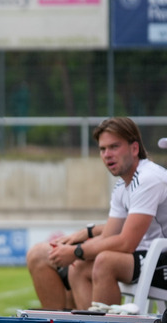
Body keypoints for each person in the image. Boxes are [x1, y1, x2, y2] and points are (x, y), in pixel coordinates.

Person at [30, 117, 167, 311]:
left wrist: (76, 251)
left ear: (134, 149)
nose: (107, 154)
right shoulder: (123, 186)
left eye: (114, 147)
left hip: (161, 260)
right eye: (103, 149)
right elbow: (111, 234)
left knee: (103, 261)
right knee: (77, 265)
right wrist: (75, 249)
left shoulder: (149, 178)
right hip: (146, 255)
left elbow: (125, 243)